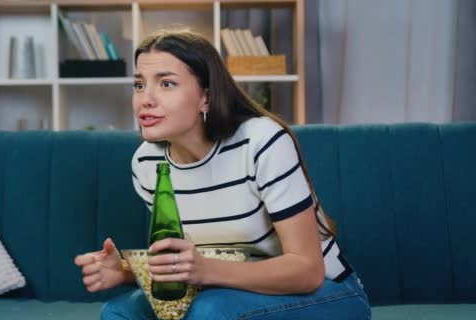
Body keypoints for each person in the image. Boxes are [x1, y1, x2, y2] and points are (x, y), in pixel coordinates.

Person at [75, 29, 371, 320]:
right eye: (139, 85)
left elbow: (308, 271)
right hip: (222, 289)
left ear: (206, 96)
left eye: (166, 83)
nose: (145, 99)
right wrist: (126, 270)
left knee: (210, 311)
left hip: (328, 293)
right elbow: (188, 263)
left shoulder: (261, 141)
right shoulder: (146, 164)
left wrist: (205, 271)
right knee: (117, 312)